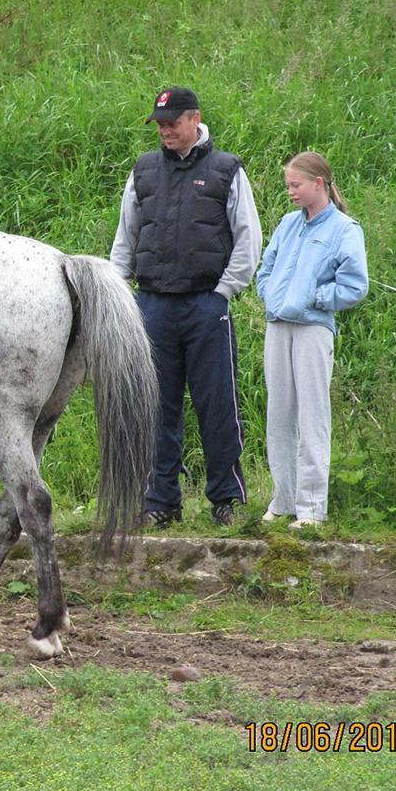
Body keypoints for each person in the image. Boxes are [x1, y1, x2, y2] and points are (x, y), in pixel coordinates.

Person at [111, 86, 262, 528]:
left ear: (194, 120)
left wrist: (225, 291)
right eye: (159, 124)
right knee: (156, 407)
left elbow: (247, 238)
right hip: (152, 304)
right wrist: (120, 295)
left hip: (205, 305)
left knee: (217, 404)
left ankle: (225, 498)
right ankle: (160, 501)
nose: (165, 131)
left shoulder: (226, 170)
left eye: (172, 122)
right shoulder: (142, 171)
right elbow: (126, 239)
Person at [256, 151, 368, 528]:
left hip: (313, 330)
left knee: (312, 414)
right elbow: (267, 267)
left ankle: (311, 508)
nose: (290, 192)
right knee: (279, 414)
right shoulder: (288, 224)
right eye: (289, 185)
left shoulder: (344, 229)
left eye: (296, 185)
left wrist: (315, 299)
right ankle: (283, 499)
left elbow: (355, 284)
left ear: (318, 183)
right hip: (278, 326)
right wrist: (270, 295)